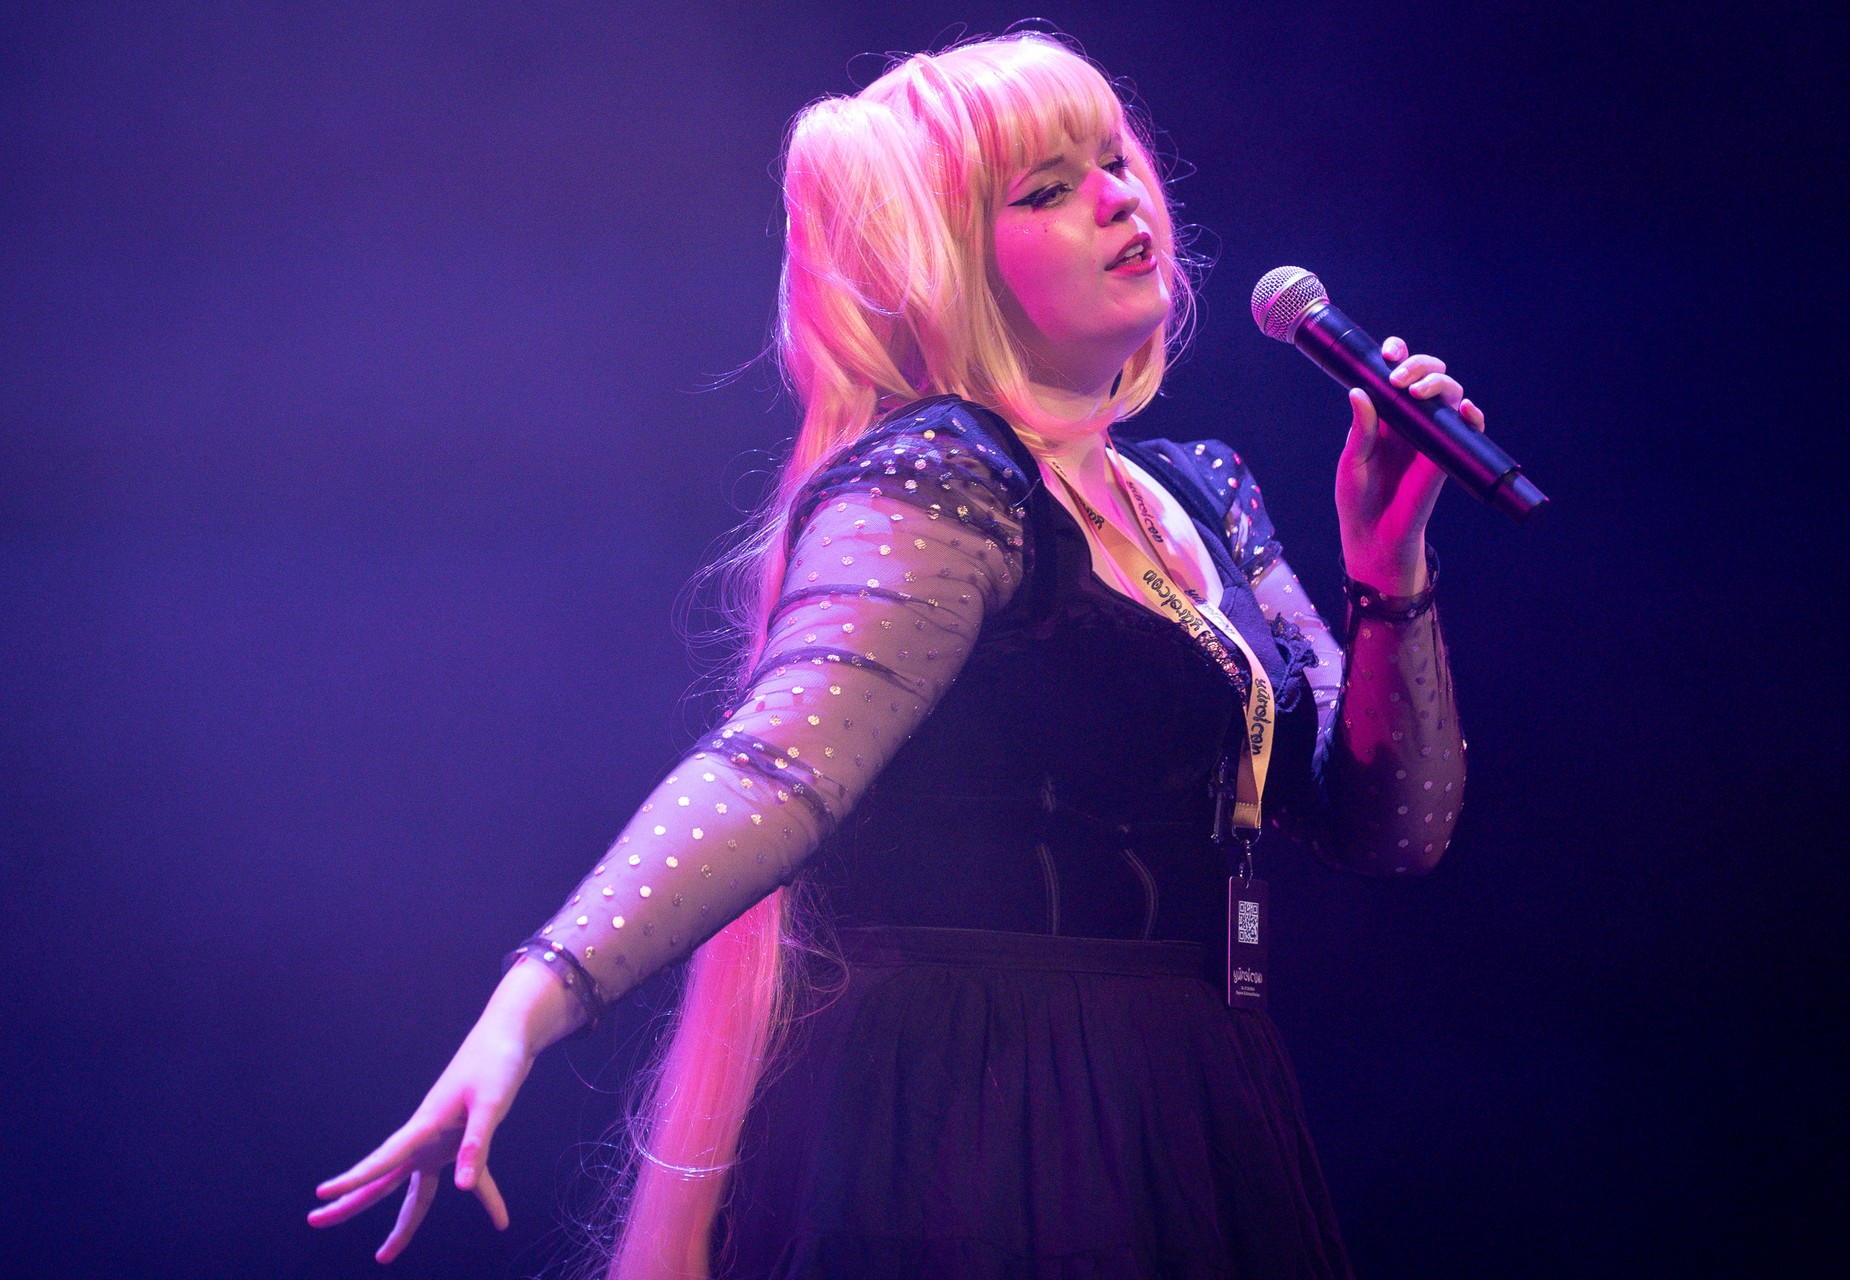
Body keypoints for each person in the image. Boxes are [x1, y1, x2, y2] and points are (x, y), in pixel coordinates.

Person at [309, 32, 1479, 1279]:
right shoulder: (942, 477)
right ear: (950, 264)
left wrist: (1388, 565)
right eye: (1047, 189)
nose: (1116, 197)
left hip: (1191, 1094)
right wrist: (531, 1002)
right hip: (984, 1111)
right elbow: (777, 766)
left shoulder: (1204, 492)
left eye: (1113, 160)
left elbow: (1390, 827)